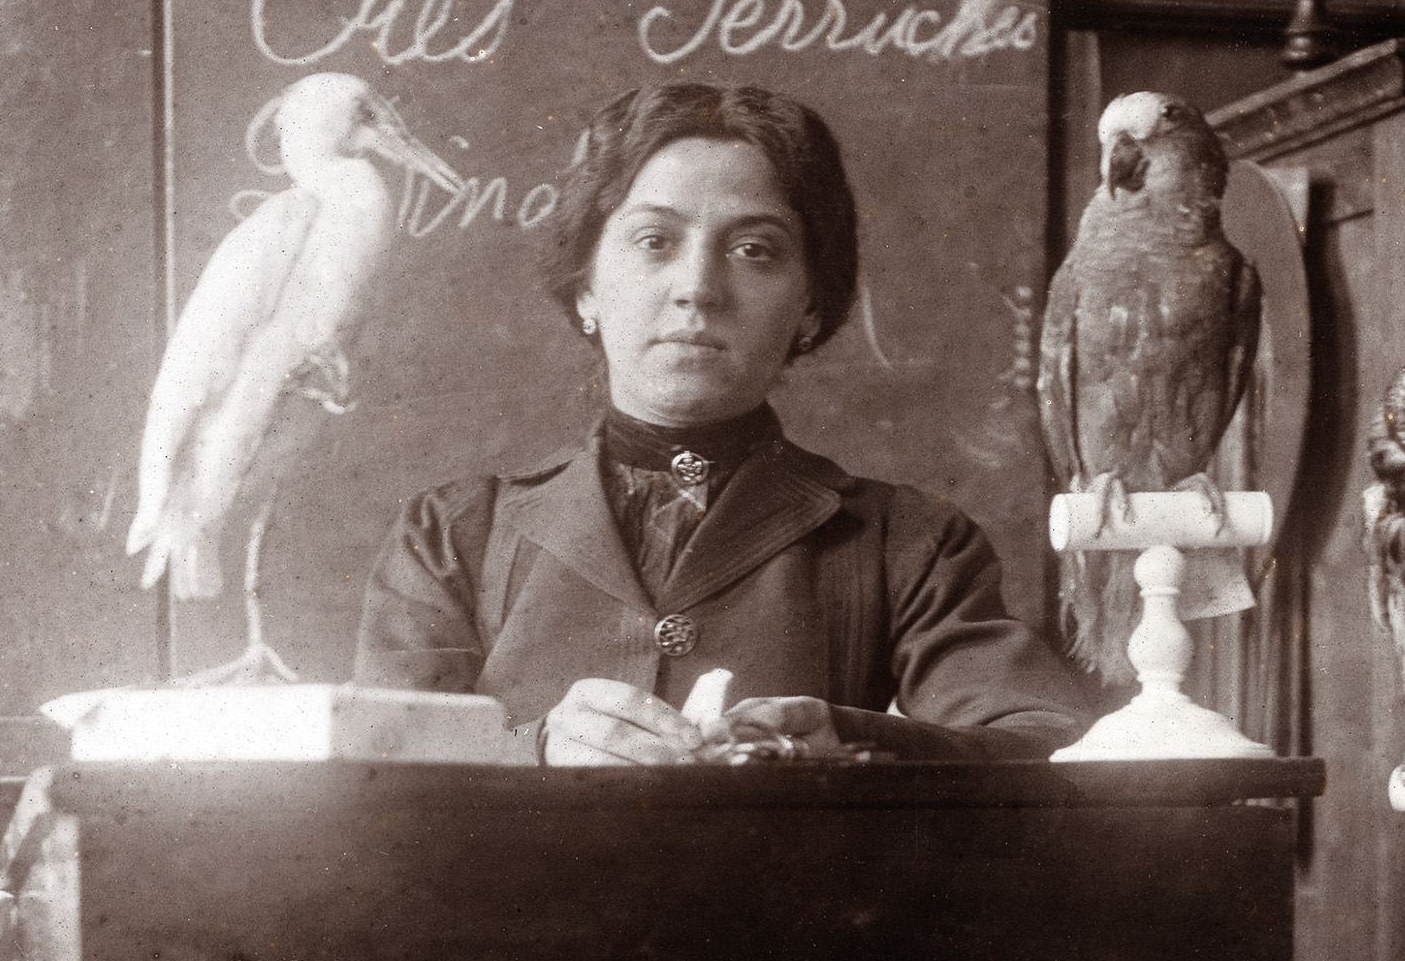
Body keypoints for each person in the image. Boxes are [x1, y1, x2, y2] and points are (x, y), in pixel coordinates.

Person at [354, 83, 1093, 765]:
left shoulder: (910, 544)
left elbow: (1048, 744)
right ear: (585, 289)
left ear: (809, 305)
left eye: (754, 250)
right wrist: (536, 749)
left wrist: (857, 741)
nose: (698, 289)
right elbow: (373, 778)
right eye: (653, 241)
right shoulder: (453, 536)